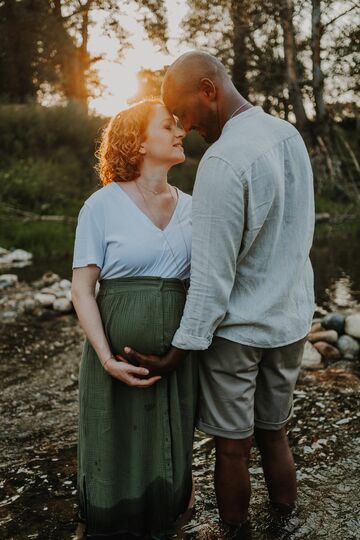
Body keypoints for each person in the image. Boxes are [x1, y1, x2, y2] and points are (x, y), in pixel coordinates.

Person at [124, 52, 315, 534]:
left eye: (183, 112)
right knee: (276, 434)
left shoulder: (223, 162)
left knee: (233, 445)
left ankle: (235, 533)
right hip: (291, 320)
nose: (183, 127)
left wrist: (177, 351)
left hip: (239, 331)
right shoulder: (287, 135)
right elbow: (297, 231)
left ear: (209, 90)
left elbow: (212, 278)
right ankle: (286, 526)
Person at [71, 98, 198, 539]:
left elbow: (204, 285)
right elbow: (82, 289)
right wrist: (106, 358)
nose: (181, 132)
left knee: (171, 451)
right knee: (113, 449)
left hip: (177, 361)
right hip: (113, 362)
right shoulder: (101, 206)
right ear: (139, 143)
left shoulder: (193, 208)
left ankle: (168, 521)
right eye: (169, 126)